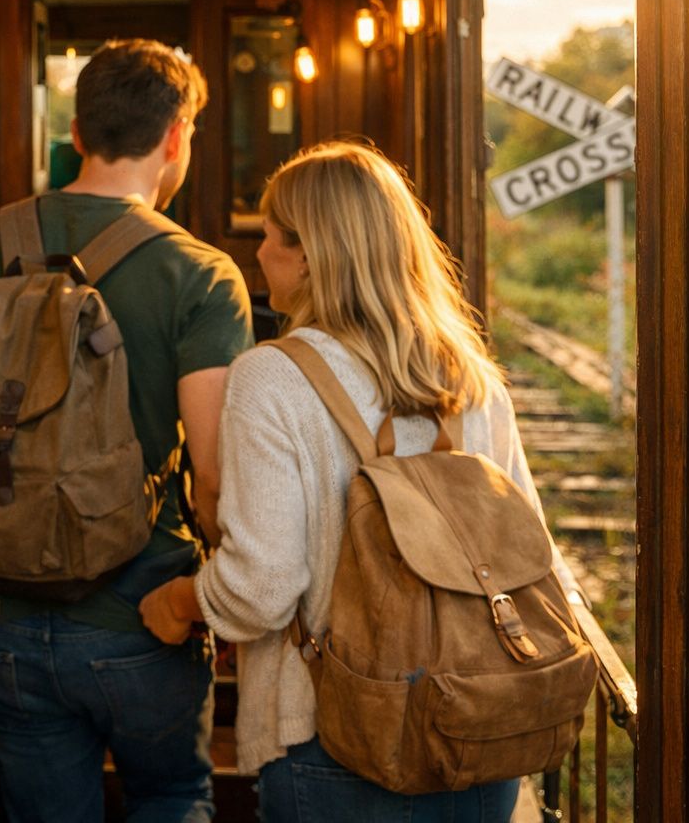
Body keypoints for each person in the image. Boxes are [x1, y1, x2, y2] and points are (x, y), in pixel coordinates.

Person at [138, 140, 573, 820]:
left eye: (269, 237)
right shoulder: (470, 376)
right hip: (480, 735)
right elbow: (532, 552)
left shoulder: (273, 377)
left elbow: (262, 590)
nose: (259, 254)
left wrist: (179, 603)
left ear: (308, 254)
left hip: (336, 745)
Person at [0, 39, 254, 823]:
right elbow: (216, 478)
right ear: (177, 135)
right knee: (171, 795)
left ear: (78, 133)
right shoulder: (203, 274)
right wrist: (222, 594)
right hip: (141, 611)